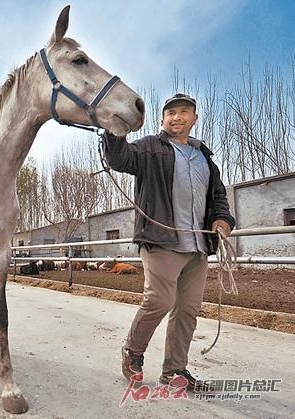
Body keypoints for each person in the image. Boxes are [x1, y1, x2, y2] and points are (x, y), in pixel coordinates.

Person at [102, 93, 235, 390]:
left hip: (198, 247)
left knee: (187, 310)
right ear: (163, 120)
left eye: (184, 112)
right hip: (161, 240)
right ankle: (133, 350)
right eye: (171, 113)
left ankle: (175, 371)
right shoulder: (151, 147)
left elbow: (218, 199)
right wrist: (115, 128)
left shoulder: (205, 158)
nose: (177, 117)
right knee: (160, 300)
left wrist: (222, 220)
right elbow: (120, 158)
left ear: (195, 118)